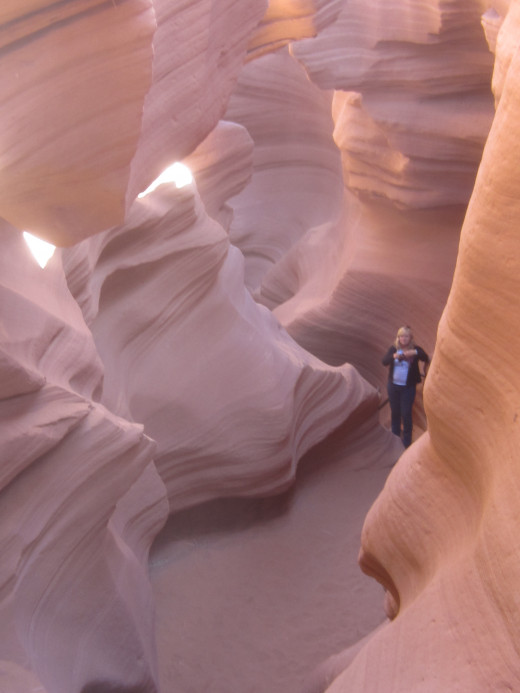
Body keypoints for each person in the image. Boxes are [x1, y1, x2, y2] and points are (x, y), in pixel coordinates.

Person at [382, 326, 430, 448]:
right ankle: (395, 438)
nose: (403, 338)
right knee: (395, 412)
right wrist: (394, 356)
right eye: (401, 336)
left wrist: (414, 352)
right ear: (398, 338)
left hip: (408, 388)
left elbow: (424, 356)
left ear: (410, 338)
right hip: (393, 387)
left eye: (406, 336)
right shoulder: (394, 348)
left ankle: (407, 441)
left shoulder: (415, 349)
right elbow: (384, 361)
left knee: (406, 413)